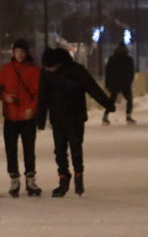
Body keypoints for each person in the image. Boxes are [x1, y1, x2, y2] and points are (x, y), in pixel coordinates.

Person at [37, 46, 114, 197]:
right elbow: (42, 97)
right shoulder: (46, 74)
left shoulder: (76, 70)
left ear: (58, 63)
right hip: (58, 118)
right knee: (59, 151)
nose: (48, 70)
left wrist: (107, 103)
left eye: (50, 67)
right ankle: (63, 179)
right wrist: (40, 119)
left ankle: (79, 178)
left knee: (76, 148)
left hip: (75, 117)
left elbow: (92, 88)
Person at [0, 38, 43, 198]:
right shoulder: (5, 69)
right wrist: (5, 97)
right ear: (13, 53)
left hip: (27, 116)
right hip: (10, 116)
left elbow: (39, 93)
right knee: (11, 149)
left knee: (29, 149)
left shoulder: (35, 70)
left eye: (22, 51)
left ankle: (30, 179)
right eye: (17, 51)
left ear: (26, 53)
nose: (20, 54)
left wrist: (33, 108)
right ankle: (14, 179)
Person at [103, 43, 137, 124]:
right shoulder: (128, 59)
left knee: (112, 100)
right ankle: (128, 116)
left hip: (114, 82)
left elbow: (108, 72)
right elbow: (132, 72)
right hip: (125, 82)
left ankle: (105, 116)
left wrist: (107, 83)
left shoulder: (112, 59)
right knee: (129, 99)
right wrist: (130, 81)